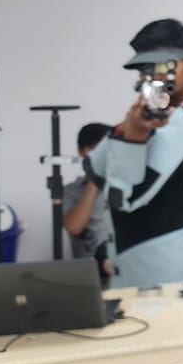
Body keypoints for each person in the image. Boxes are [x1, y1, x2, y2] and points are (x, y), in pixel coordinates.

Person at [85, 18, 183, 364]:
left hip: (170, 258)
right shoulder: (151, 117)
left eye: (164, 66)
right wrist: (131, 129)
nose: (154, 76)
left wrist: (131, 136)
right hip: (139, 256)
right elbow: (93, 167)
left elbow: (127, 195)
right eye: (146, 69)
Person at [63, 122, 114, 288]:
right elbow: (73, 227)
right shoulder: (72, 191)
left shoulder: (129, 185)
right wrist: (95, 181)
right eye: (94, 149)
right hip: (91, 278)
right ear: (81, 152)